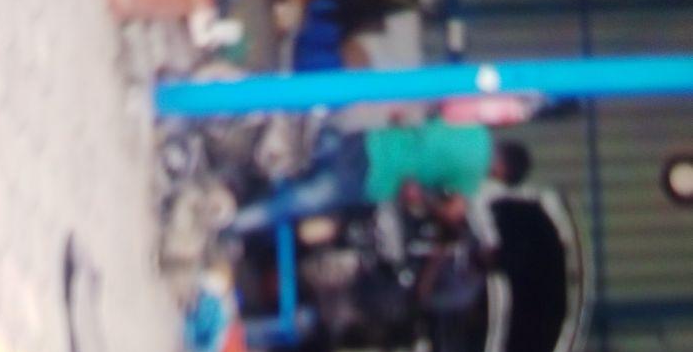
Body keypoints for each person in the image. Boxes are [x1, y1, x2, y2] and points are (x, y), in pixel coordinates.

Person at [226, 119, 532, 235]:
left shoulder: (475, 127)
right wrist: (427, 201)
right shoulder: (473, 177)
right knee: (297, 201)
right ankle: (230, 222)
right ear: (502, 172)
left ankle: (229, 178)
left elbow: (429, 122)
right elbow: (452, 213)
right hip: (377, 178)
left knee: (291, 160)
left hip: (374, 140)